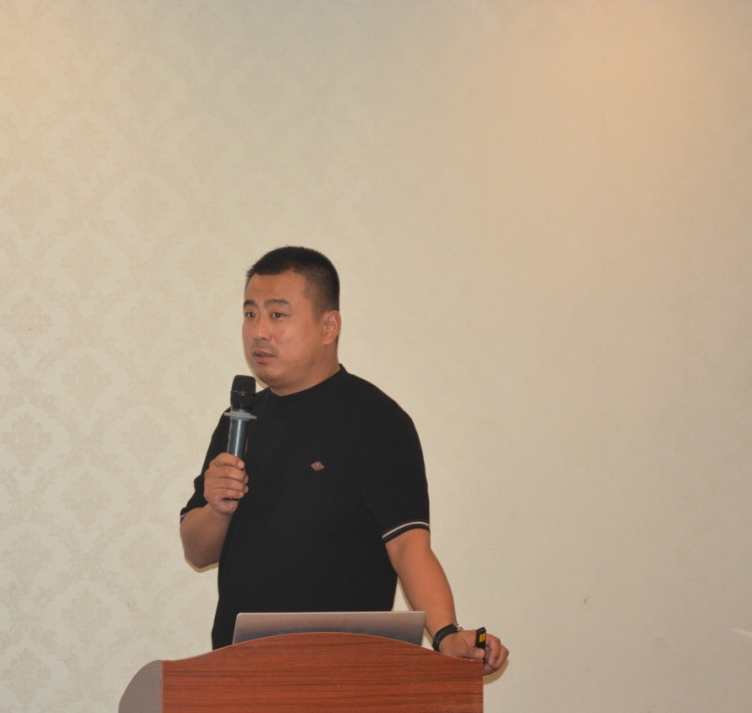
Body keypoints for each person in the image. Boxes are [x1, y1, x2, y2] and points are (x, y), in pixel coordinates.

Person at [179, 246, 508, 670]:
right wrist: (218, 509)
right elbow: (198, 551)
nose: (259, 331)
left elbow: (408, 545)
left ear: (329, 326)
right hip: (239, 670)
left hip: (344, 674)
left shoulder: (376, 421)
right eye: (250, 314)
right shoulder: (238, 420)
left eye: (277, 314)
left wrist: (445, 633)